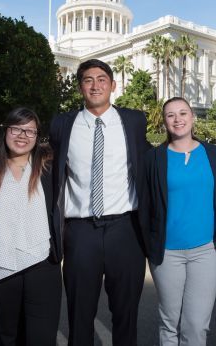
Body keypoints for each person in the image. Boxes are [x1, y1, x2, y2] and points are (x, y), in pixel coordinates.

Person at [49, 58, 151, 346]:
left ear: (113, 85)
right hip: (80, 231)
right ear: (80, 86)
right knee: (80, 313)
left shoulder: (133, 121)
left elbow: (150, 163)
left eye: (101, 79)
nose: (95, 85)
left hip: (125, 229)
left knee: (125, 312)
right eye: (88, 80)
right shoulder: (61, 124)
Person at [141, 97, 216, 345]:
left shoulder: (214, 154)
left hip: (206, 251)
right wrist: (150, 245)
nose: (177, 119)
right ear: (164, 122)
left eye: (183, 113)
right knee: (169, 322)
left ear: (192, 117)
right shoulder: (153, 158)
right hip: (167, 254)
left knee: (197, 324)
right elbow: (145, 206)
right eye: (170, 115)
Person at [0, 107, 62, 345]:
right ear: (5, 131)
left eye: (30, 131)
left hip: (42, 263)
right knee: (9, 336)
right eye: (16, 128)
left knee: (42, 337)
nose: (22, 135)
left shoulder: (48, 168)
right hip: (4, 265)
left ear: (37, 137)